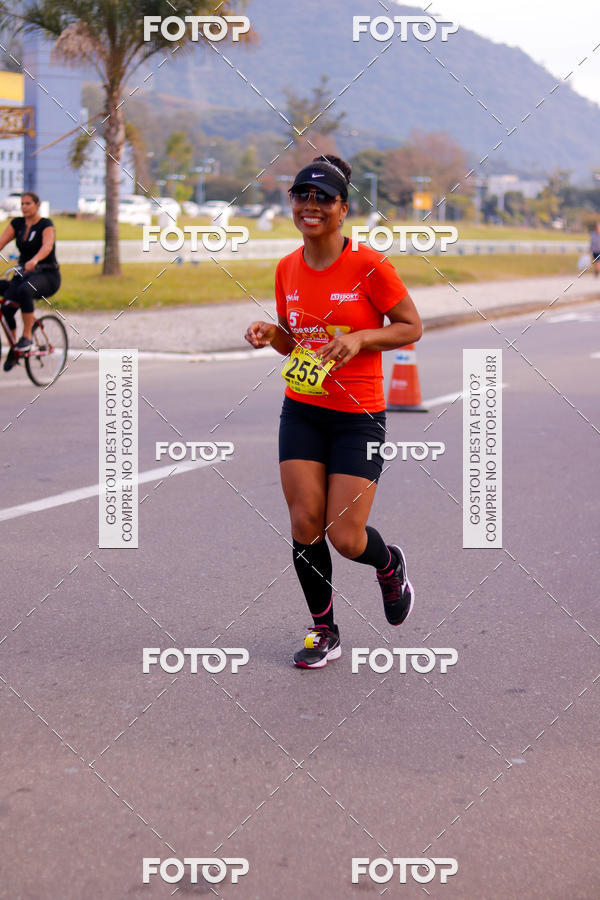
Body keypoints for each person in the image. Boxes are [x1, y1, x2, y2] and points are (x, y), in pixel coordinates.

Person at [244, 155, 422, 668]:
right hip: (302, 410)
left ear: (343, 208)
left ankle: (388, 565)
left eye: (324, 197)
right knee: (304, 522)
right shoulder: (286, 268)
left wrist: (364, 337)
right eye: (302, 195)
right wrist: (268, 334)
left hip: (357, 415)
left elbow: (410, 326)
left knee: (345, 537)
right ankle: (323, 630)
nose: (311, 205)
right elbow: (292, 342)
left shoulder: (369, 265)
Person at [0, 191, 61, 371]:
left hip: (47, 274)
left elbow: (47, 246)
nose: (24, 207)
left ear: (37, 205)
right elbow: (1, 242)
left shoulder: (45, 224)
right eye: (22, 204)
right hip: (24, 273)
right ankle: (15, 347)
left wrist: (35, 260)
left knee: (25, 290)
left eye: (28, 203)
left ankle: (26, 336)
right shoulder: (17, 224)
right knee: (7, 308)